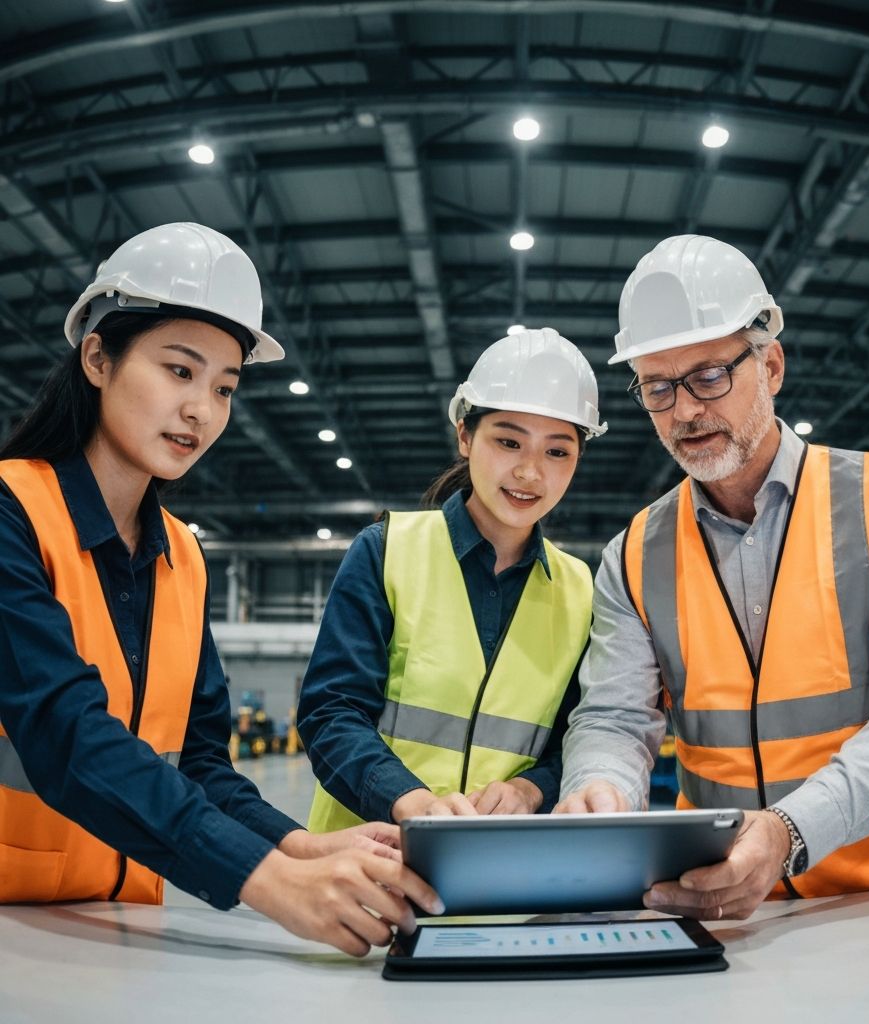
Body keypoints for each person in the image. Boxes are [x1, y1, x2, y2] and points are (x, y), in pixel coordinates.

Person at [0, 222, 441, 955]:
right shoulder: (12, 515)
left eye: (224, 387)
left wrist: (302, 848)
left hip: (116, 932)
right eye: (179, 370)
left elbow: (201, 763)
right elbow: (64, 732)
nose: (202, 409)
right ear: (98, 358)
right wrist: (270, 882)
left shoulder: (184, 556)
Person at [556, 234, 869, 918]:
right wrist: (600, 789)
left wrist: (792, 830)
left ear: (770, 366)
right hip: (711, 905)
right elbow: (616, 718)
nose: (686, 410)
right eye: (659, 387)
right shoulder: (632, 553)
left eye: (710, 375)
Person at [298, 327, 606, 830]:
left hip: (504, 884)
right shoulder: (386, 551)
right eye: (509, 441)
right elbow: (330, 714)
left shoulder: (580, 590)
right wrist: (408, 800)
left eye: (557, 451)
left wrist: (532, 790)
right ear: (465, 435)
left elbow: (577, 735)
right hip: (371, 865)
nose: (531, 473)